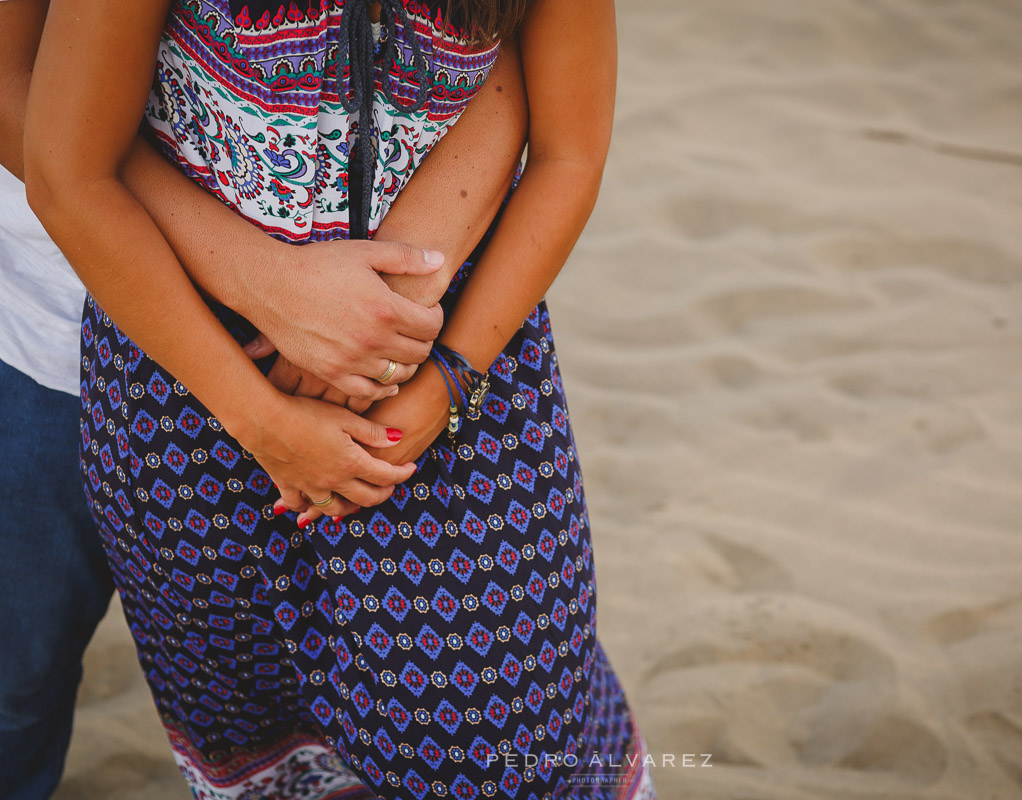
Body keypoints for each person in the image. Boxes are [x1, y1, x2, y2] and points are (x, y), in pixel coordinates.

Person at [25, 0, 656, 798]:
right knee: (259, 737)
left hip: (459, 358)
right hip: (192, 385)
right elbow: (66, 166)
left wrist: (442, 380)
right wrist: (263, 415)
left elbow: (567, 152)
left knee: (508, 719)